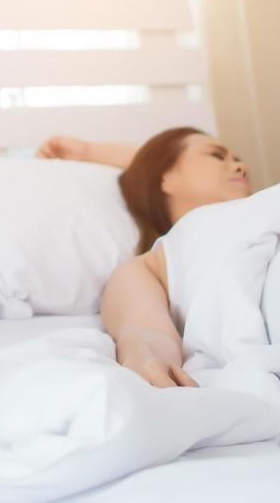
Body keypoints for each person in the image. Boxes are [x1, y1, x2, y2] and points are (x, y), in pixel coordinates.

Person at [37, 128, 249, 391]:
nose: (240, 166)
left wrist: (90, 151)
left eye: (237, 159)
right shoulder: (155, 263)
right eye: (217, 156)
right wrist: (148, 361)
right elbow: (145, 330)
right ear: (164, 179)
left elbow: (162, 163)